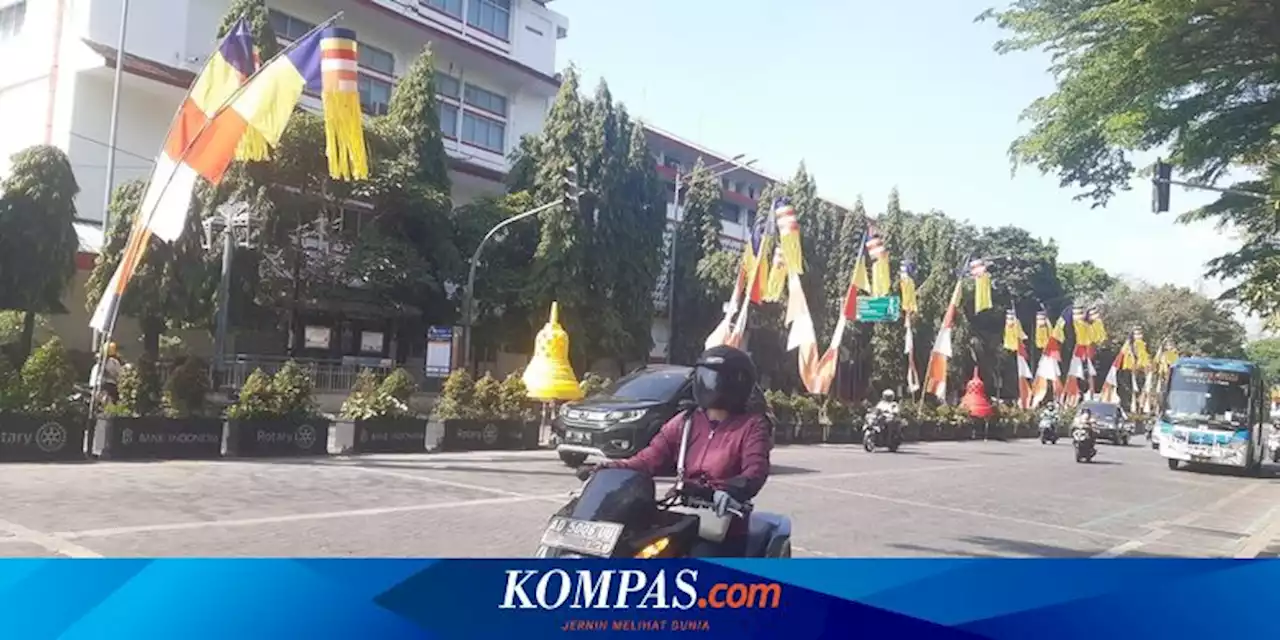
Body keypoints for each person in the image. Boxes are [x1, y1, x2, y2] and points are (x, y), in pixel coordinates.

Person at [579, 345, 771, 557]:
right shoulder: (686, 421)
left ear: (738, 382)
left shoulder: (752, 426)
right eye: (706, 376)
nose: (712, 385)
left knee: (702, 562)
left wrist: (730, 491)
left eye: (717, 378)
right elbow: (647, 459)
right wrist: (606, 468)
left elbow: (755, 470)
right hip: (681, 512)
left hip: (721, 520)